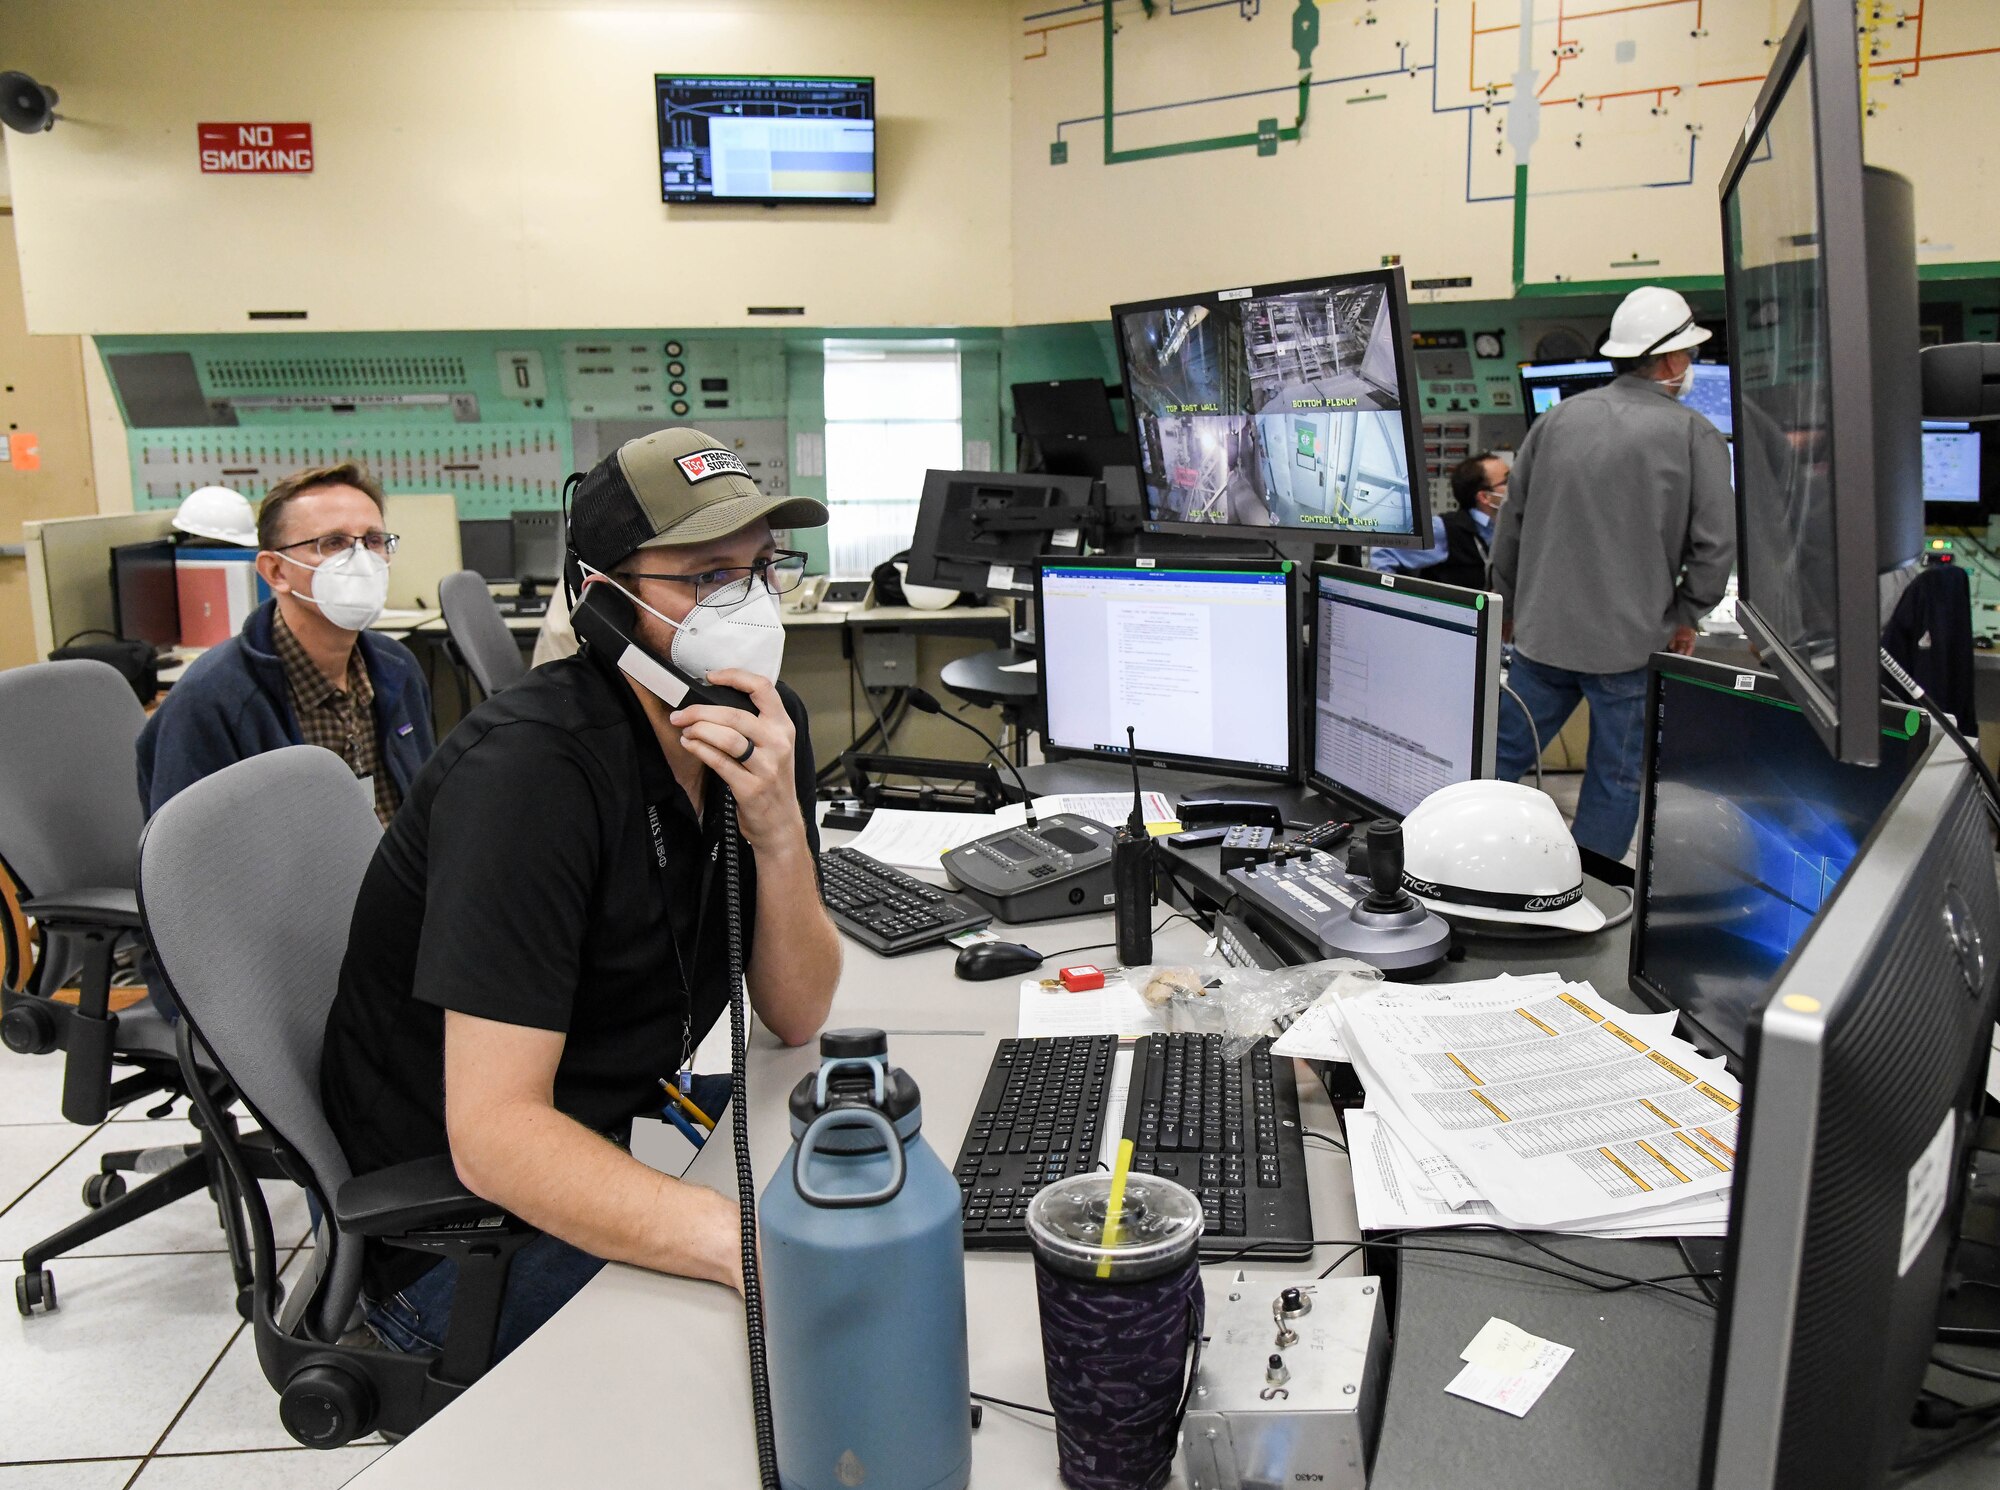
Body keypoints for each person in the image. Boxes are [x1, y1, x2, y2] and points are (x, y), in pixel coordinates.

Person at [319, 427, 841, 1360]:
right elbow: (496, 1136)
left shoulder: (758, 722)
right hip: (461, 1237)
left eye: (760, 570)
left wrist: (779, 831)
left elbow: (796, 1013)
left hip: (608, 1133)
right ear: (601, 604)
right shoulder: (531, 772)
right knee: (791, 1345)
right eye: (707, 577)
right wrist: (744, 1246)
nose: (750, 605)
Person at [1490, 286, 1734, 860]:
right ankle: (1587, 894)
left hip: (1541, 640)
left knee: (1494, 763)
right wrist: (1685, 615)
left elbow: (1511, 531)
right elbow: (1715, 547)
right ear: (1672, 361)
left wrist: (1507, 605)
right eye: (1689, 356)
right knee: (1615, 779)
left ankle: (1453, 868)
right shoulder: (1695, 435)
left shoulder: (1556, 422)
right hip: (1631, 648)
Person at [136, 462, 434, 824]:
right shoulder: (211, 702)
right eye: (333, 543)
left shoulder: (396, 668)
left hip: (399, 876)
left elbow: (422, 812)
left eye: (373, 541)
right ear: (275, 571)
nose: (361, 560)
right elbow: (189, 865)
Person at [1369, 453, 1508, 589]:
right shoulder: (1445, 529)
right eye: (1507, 481)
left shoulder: (1507, 529)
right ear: (1485, 497)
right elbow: (1383, 553)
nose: (1515, 485)